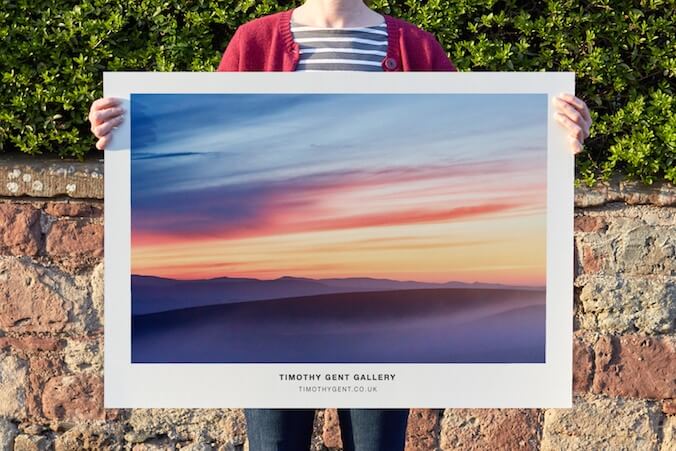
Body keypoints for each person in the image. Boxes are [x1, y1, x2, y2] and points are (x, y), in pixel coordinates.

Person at [88, 1, 592, 450]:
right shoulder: (255, 42)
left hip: (384, 340)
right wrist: (124, 127)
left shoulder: (415, 47)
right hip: (270, 339)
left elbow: (484, 144)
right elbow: (194, 136)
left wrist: (557, 135)